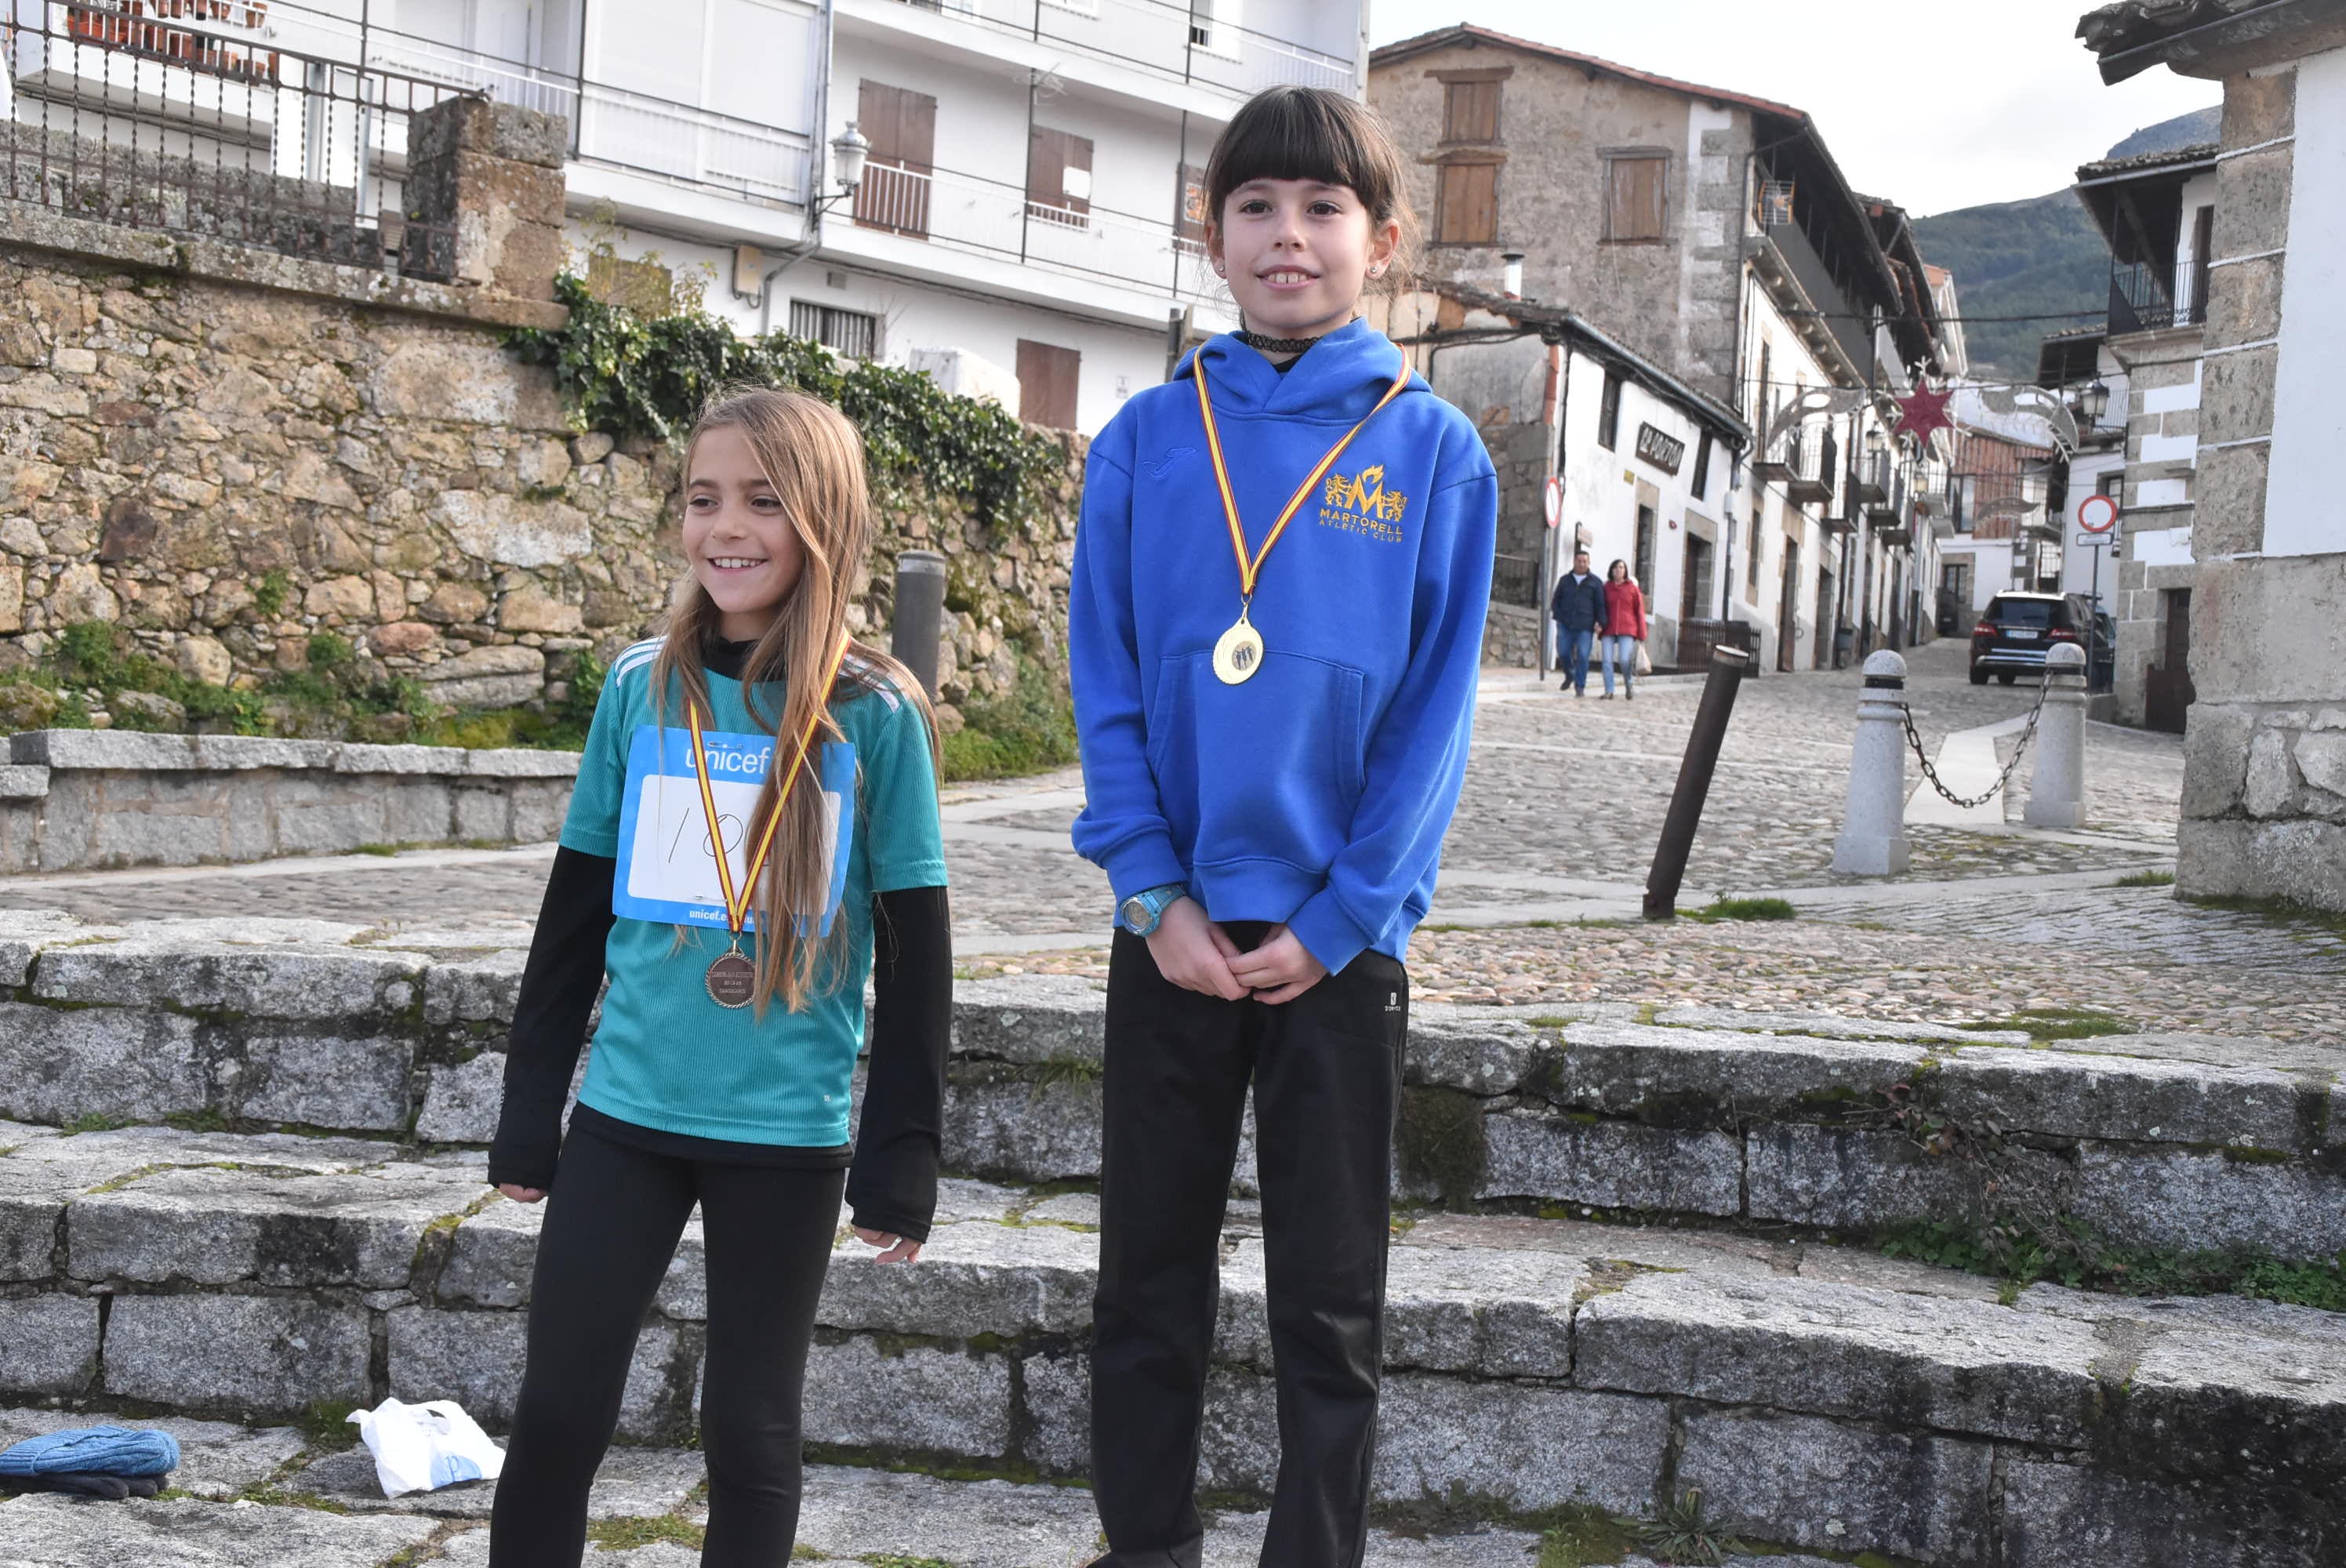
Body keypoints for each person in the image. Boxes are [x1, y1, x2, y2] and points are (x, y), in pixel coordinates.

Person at [1067, 84, 1496, 1568]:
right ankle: (1146, 1549)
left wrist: (1342, 917)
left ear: (1382, 241)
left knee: (1328, 1302)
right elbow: (1107, 687)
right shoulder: (1138, 442)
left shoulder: (1434, 452)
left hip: (1339, 944)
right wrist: (1150, 896)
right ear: (1213, 234)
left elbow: (1434, 716)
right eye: (1256, 207)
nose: (1288, 237)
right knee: (1145, 1287)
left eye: (1323, 210)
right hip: (1171, 931)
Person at [485, 387, 951, 1568]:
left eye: (762, 501)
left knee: (749, 1431)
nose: (726, 529)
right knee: (557, 1414)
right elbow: (571, 918)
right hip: (627, 1117)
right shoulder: (639, 687)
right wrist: (529, 1106)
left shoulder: (875, 713)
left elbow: (916, 948)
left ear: (822, 522)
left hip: (784, 1132)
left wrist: (902, 1151)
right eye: (702, 500)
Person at [1550, 546, 1606, 696]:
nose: (1582, 564)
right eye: (1579, 561)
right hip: (1565, 624)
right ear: (1574, 562)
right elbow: (1556, 600)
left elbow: (1600, 604)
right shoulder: (1565, 580)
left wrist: (1600, 622)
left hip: (1585, 626)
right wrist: (1558, 616)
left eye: (1585, 561)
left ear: (1589, 563)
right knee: (1563, 652)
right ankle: (1570, 674)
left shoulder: (1595, 582)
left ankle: (1580, 686)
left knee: (1582, 655)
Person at [1599, 557, 1647, 701]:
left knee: (1624, 660)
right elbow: (1600, 607)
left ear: (1625, 571)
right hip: (1609, 627)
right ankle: (1609, 690)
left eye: (1621, 567)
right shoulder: (1606, 588)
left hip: (1627, 628)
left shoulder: (1632, 588)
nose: (1618, 570)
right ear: (1611, 571)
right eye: (1616, 567)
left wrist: (1642, 633)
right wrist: (1599, 623)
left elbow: (1639, 611)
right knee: (1607, 660)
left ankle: (1629, 683)